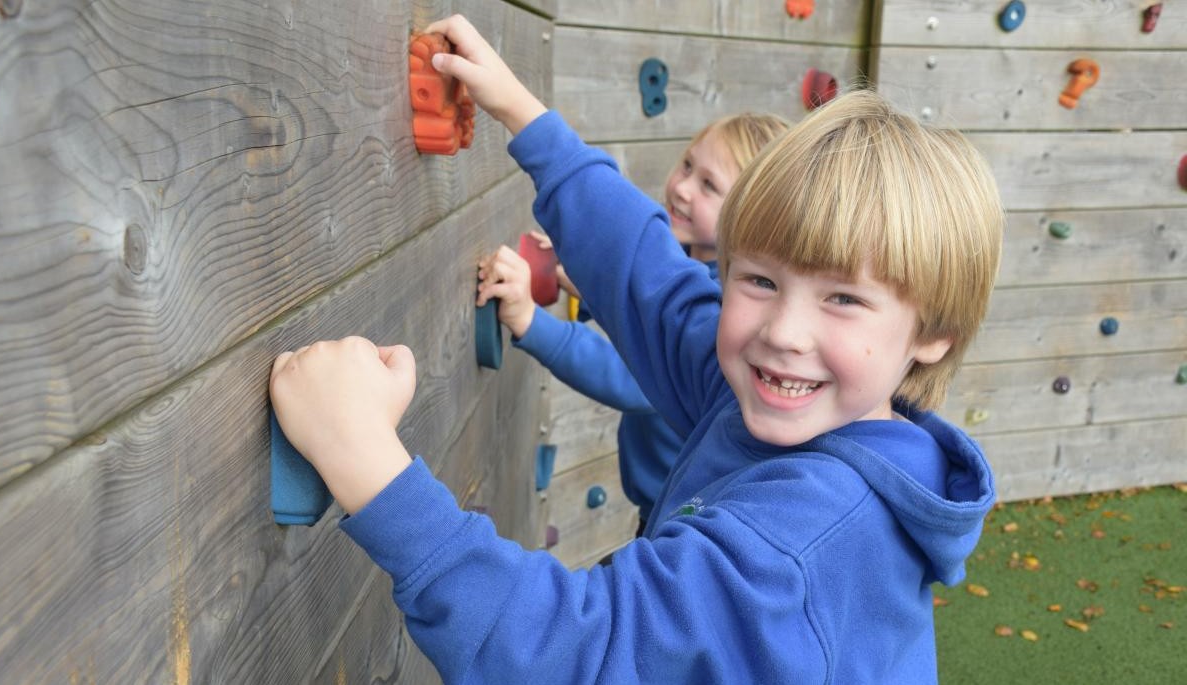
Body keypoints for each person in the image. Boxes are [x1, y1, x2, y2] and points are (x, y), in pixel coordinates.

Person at [269, 14, 1004, 684]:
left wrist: (364, 457)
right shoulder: (796, 400)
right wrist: (524, 116)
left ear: (934, 330)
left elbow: (577, 657)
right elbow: (654, 282)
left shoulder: (801, 545)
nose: (783, 331)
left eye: (842, 298)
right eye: (759, 279)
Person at [477, 112, 791, 537]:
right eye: (687, 165)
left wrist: (530, 322)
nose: (682, 188)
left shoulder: (729, 311)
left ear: (754, 217)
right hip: (657, 505)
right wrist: (584, 276)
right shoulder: (687, 262)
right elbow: (644, 312)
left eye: (709, 186)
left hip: (685, 524)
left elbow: (633, 378)